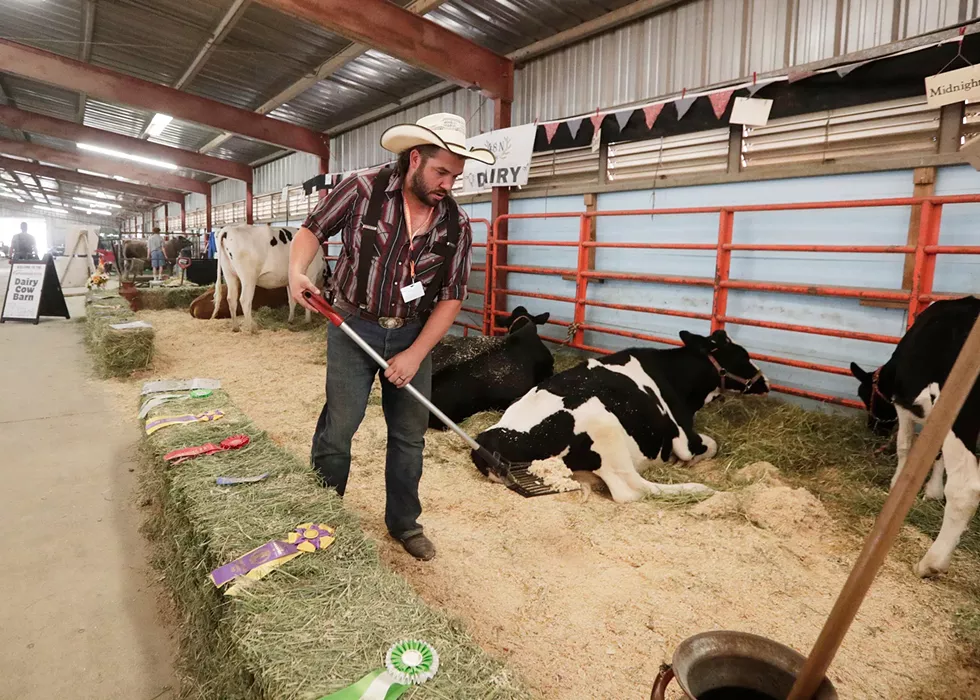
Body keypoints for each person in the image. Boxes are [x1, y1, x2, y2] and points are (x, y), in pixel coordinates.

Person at [288, 113, 495, 561]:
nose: (447, 184)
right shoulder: (361, 189)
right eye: (441, 172)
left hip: (412, 333)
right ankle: (322, 515)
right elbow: (311, 231)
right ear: (415, 158)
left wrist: (416, 354)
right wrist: (295, 271)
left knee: (409, 436)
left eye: (455, 177)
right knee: (340, 427)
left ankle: (404, 523)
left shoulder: (457, 225)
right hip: (351, 326)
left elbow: (452, 297)